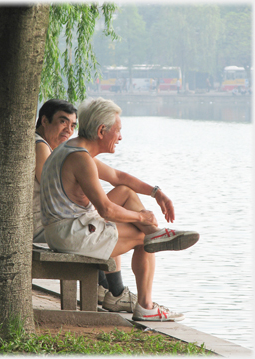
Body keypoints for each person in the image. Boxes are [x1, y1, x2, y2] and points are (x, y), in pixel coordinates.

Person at [40, 97, 199, 321]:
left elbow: (118, 177)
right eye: (118, 131)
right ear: (102, 130)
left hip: (65, 230)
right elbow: (105, 210)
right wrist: (140, 216)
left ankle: (156, 233)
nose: (121, 137)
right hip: (70, 235)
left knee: (125, 191)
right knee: (144, 238)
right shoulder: (80, 159)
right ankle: (146, 306)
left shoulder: (72, 148)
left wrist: (156, 192)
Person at [33, 99, 135, 311]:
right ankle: (114, 291)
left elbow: (116, 175)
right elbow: (53, 189)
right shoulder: (40, 145)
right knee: (105, 220)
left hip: (53, 222)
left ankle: (106, 287)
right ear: (44, 120)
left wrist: (155, 191)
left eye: (73, 125)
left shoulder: (63, 150)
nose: (68, 130)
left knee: (107, 212)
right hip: (42, 226)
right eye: (63, 122)